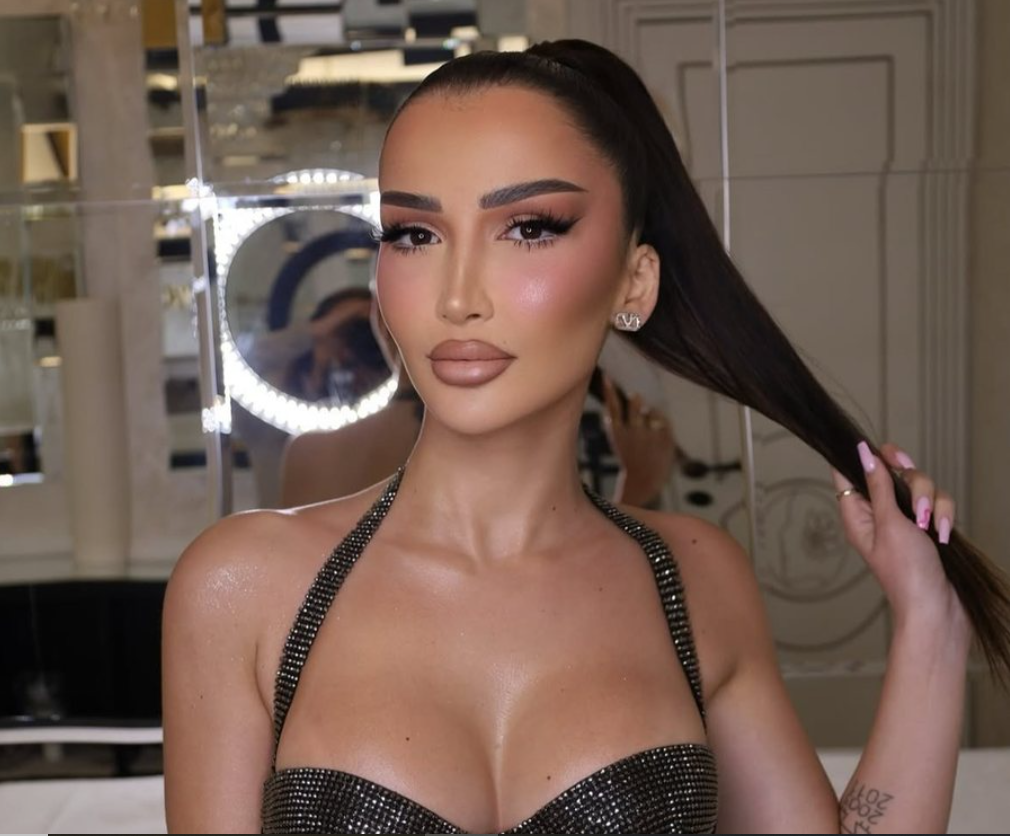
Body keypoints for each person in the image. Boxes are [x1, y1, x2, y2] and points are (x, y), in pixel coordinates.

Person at [162, 39, 1010, 834]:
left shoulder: (695, 580)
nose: (458, 297)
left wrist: (930, 624)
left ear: (634, 281)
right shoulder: (243, 588)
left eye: (529, 227)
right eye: (415, 234)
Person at [279, 294, 676, 508]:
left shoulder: (307, 454)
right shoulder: (501, 448)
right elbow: (558, 605)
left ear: (380, 322)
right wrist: (637, 491)